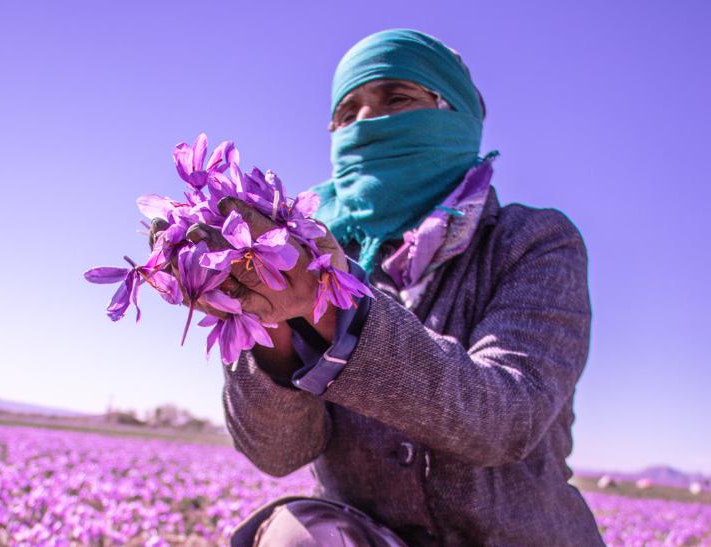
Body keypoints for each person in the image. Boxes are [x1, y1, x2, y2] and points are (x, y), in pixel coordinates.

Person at [153, 29, 602, 546]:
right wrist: (272, 325)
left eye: (397, 98)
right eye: (347, 112)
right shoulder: (300, 247)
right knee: (294, 537)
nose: (365, 122)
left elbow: (506, 417)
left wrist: (330, 311)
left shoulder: (532, 241)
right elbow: (278, 453)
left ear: (453, 113)